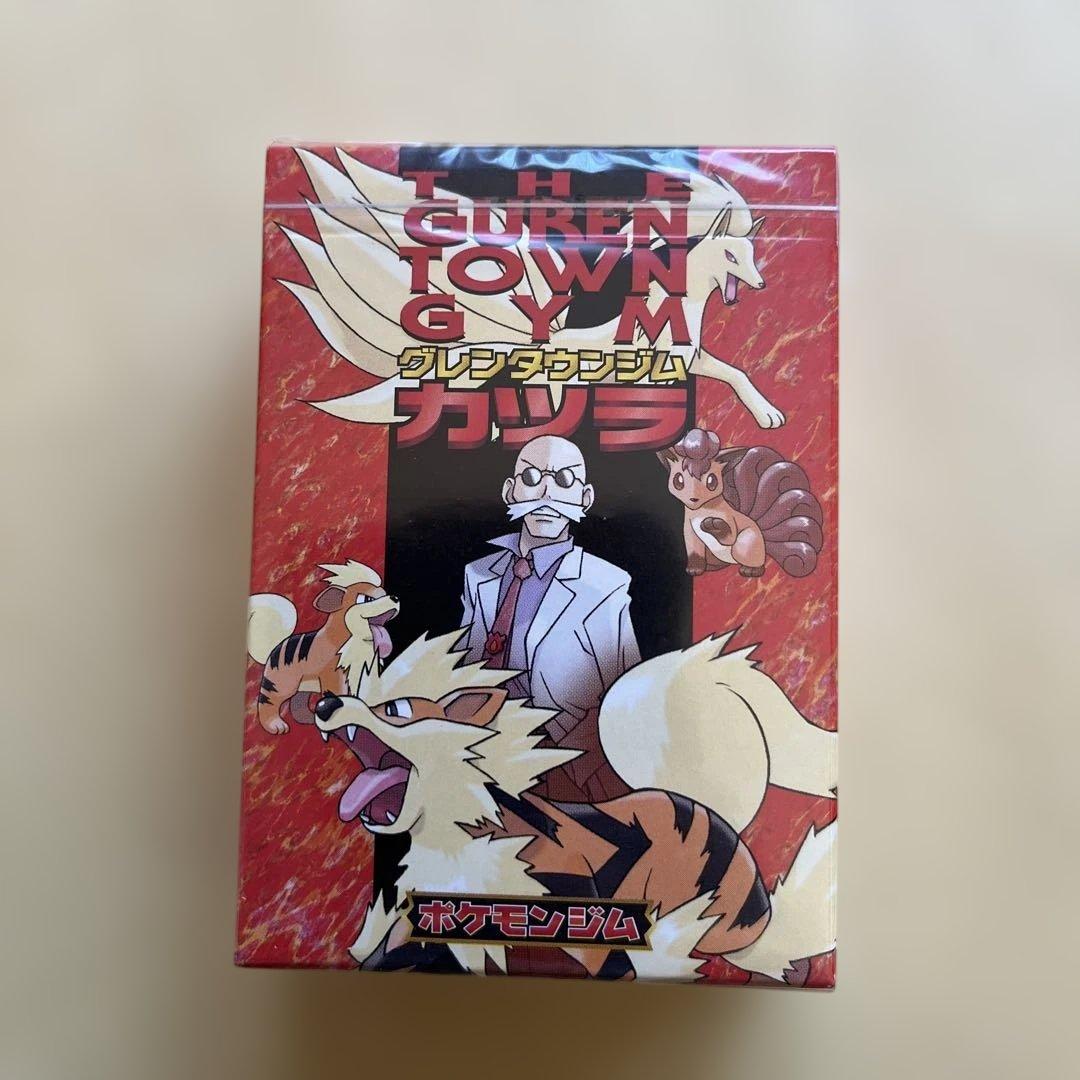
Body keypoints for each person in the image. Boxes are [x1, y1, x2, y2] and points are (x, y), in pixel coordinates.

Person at [459, 435, 640, 802]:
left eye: (563, 480)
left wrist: (574, 765)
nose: (546, 493)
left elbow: (627, 691)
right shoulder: (478, 574)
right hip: (483, 751)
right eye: (531, 478)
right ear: (510, 491)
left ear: (585, 498)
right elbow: (462, 668)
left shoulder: (604, 585)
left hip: (565, 760)